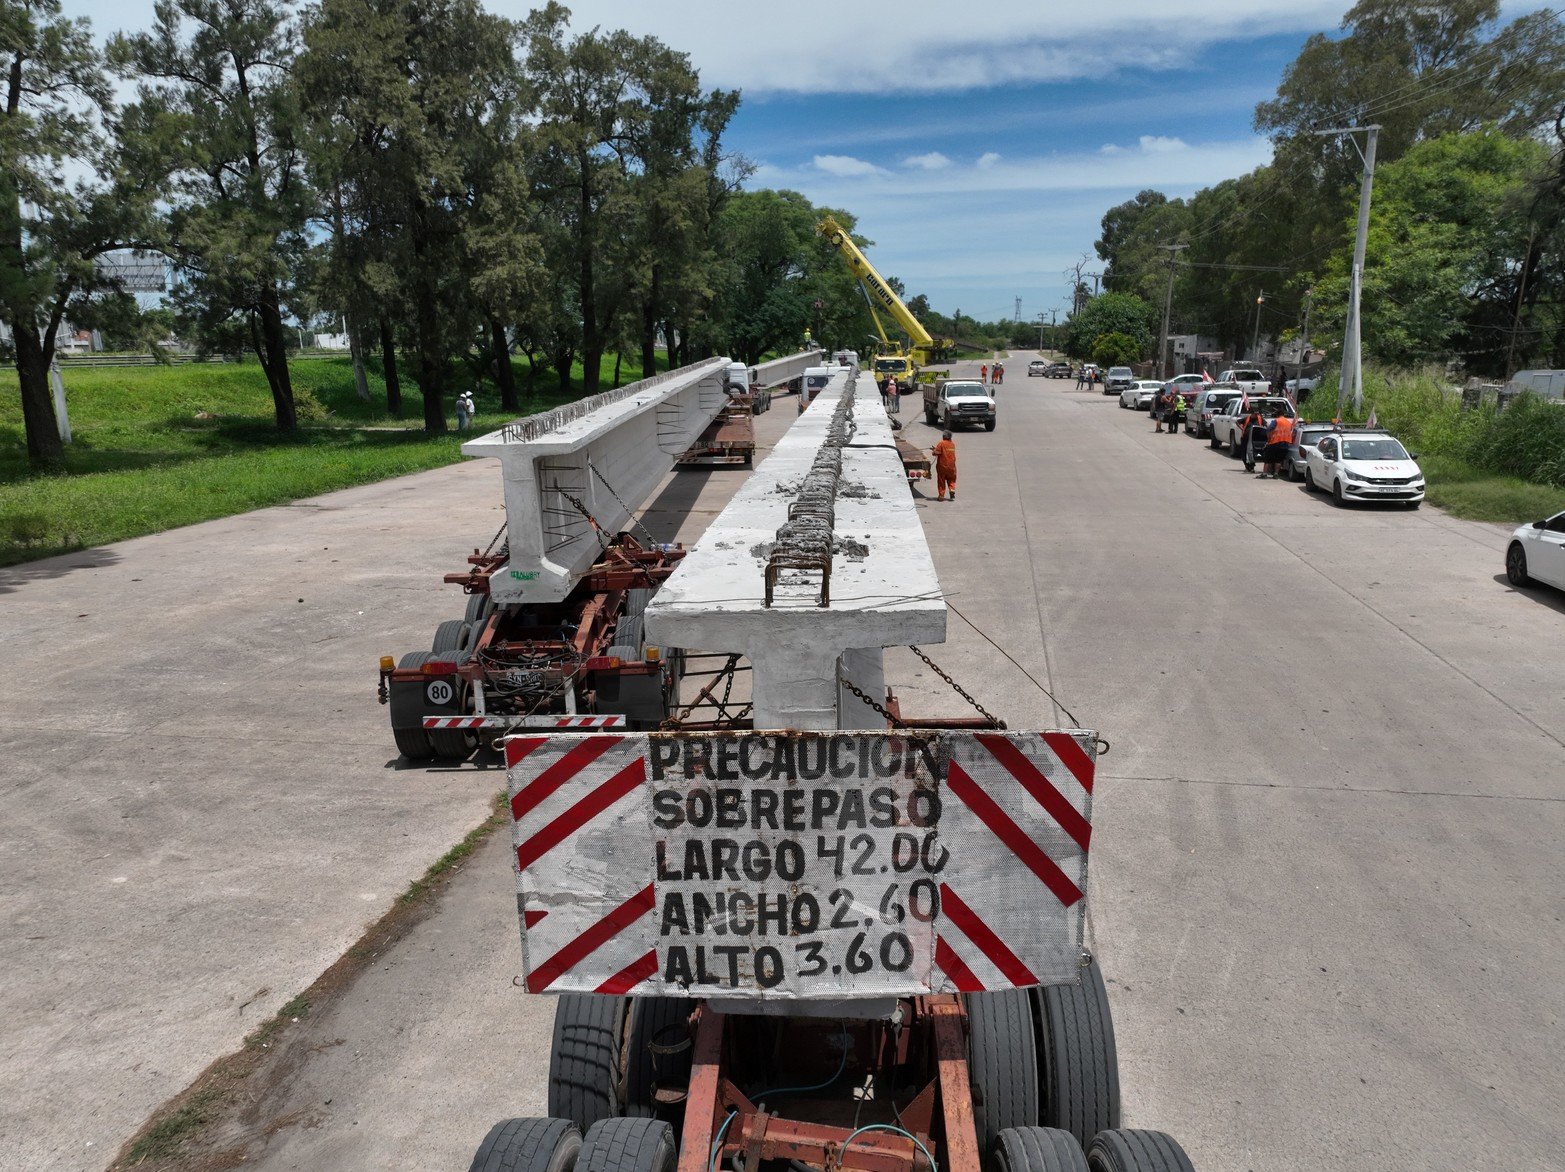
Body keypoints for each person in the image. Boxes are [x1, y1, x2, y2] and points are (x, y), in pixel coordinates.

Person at [1260, 412, 1295, 478]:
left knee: (1267, 459)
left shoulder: (1276, 421)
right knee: (1279, 460)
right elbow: (1291, 432)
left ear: (1277, 415)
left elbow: (1269, 429)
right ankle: (1276, 474)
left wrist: (1269, 438)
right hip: (1285, 443)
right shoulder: (1288, 423)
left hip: (1274, 442)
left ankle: (1264, 474)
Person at [931, 430, 957, 501]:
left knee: (941, 480)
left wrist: (934, 451)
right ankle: (952, 490)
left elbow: (936, 453)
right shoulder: (952, 444)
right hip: (952, 466)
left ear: (943, 436)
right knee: (951, 479)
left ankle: (941, 496)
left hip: (942, 466)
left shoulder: (941, 443)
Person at [1241, 404, 1266, 472]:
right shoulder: (1247, 418)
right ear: (1252, 414)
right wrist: (1242, 429)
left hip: (1255, 439)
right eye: (1255, 414)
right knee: (1244, 453)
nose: (1256, 415)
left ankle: (1251, 466)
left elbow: (1266, 425)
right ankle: (1247, 465)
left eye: (1257, 414)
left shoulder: (1260, 418)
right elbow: (1237, 422)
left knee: (1252, 453)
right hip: (1245, 438)